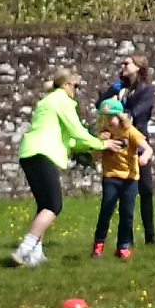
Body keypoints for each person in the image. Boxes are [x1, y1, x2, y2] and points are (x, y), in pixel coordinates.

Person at [10, 68, 101, 266]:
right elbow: (78, 131)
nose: (76, 90)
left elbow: (71, 141)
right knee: (53, 205)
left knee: (44, 205)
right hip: (43, 153)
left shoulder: (47, 101)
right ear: (66, 85)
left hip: (29, 152)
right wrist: (101, 144)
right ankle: (24, 249)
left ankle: (36, 253)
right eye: (75, 86)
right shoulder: (62, 101)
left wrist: (93, 145)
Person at [113, 54, 155, 246]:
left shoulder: (146, 89)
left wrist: (123, 112)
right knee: (125, 190)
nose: (124, 66)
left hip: (139, 141)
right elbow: (103, 105)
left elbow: (138, 111)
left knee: (146, 189)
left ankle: (150, 234)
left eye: (127, 63)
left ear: (138, 67)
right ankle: (127, 237)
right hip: (123, 143)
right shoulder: (121, 89)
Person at [90, 94, 151, 256]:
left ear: (120, 117)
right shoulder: (103, 134)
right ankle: (98, 244)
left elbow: (148, 148)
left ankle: (123, 246)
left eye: (113, 117)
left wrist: (144, 157)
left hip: (130, 178)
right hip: (111, 176)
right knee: (106, 209)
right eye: (106, 118)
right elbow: (94, 157)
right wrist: (101, 144)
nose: (110, 121)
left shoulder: (130, 131)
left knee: (127, 213)